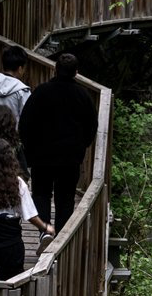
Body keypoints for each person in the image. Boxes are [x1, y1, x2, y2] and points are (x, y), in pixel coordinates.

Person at [18, 53, 97, 247]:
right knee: (65, 197)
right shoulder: (83, 96)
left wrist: (30, 148)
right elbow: (91, 126)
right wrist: (81, 146)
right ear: (76, 73)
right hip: (70, 157)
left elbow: (25, 123)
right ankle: (61, 238)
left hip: (41, 156)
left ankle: (45, 231)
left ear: (55, 69)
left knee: (41, 194)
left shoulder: (41, 92)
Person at [0, 137, 54, 282]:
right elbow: (30, 215)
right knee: (11, 285)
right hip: (10, 244)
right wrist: (44, 227)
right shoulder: (17, 184)